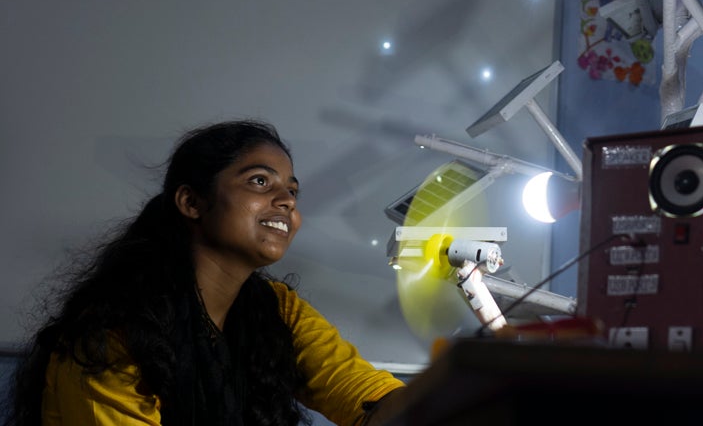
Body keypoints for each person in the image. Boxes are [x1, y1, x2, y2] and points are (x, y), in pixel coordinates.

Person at [3, 120, 409, 426]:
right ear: (191, 202)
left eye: (292, 190)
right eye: (260, 181)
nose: (285, 200)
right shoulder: (112, 331)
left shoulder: (279, 312)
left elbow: (364, 395)